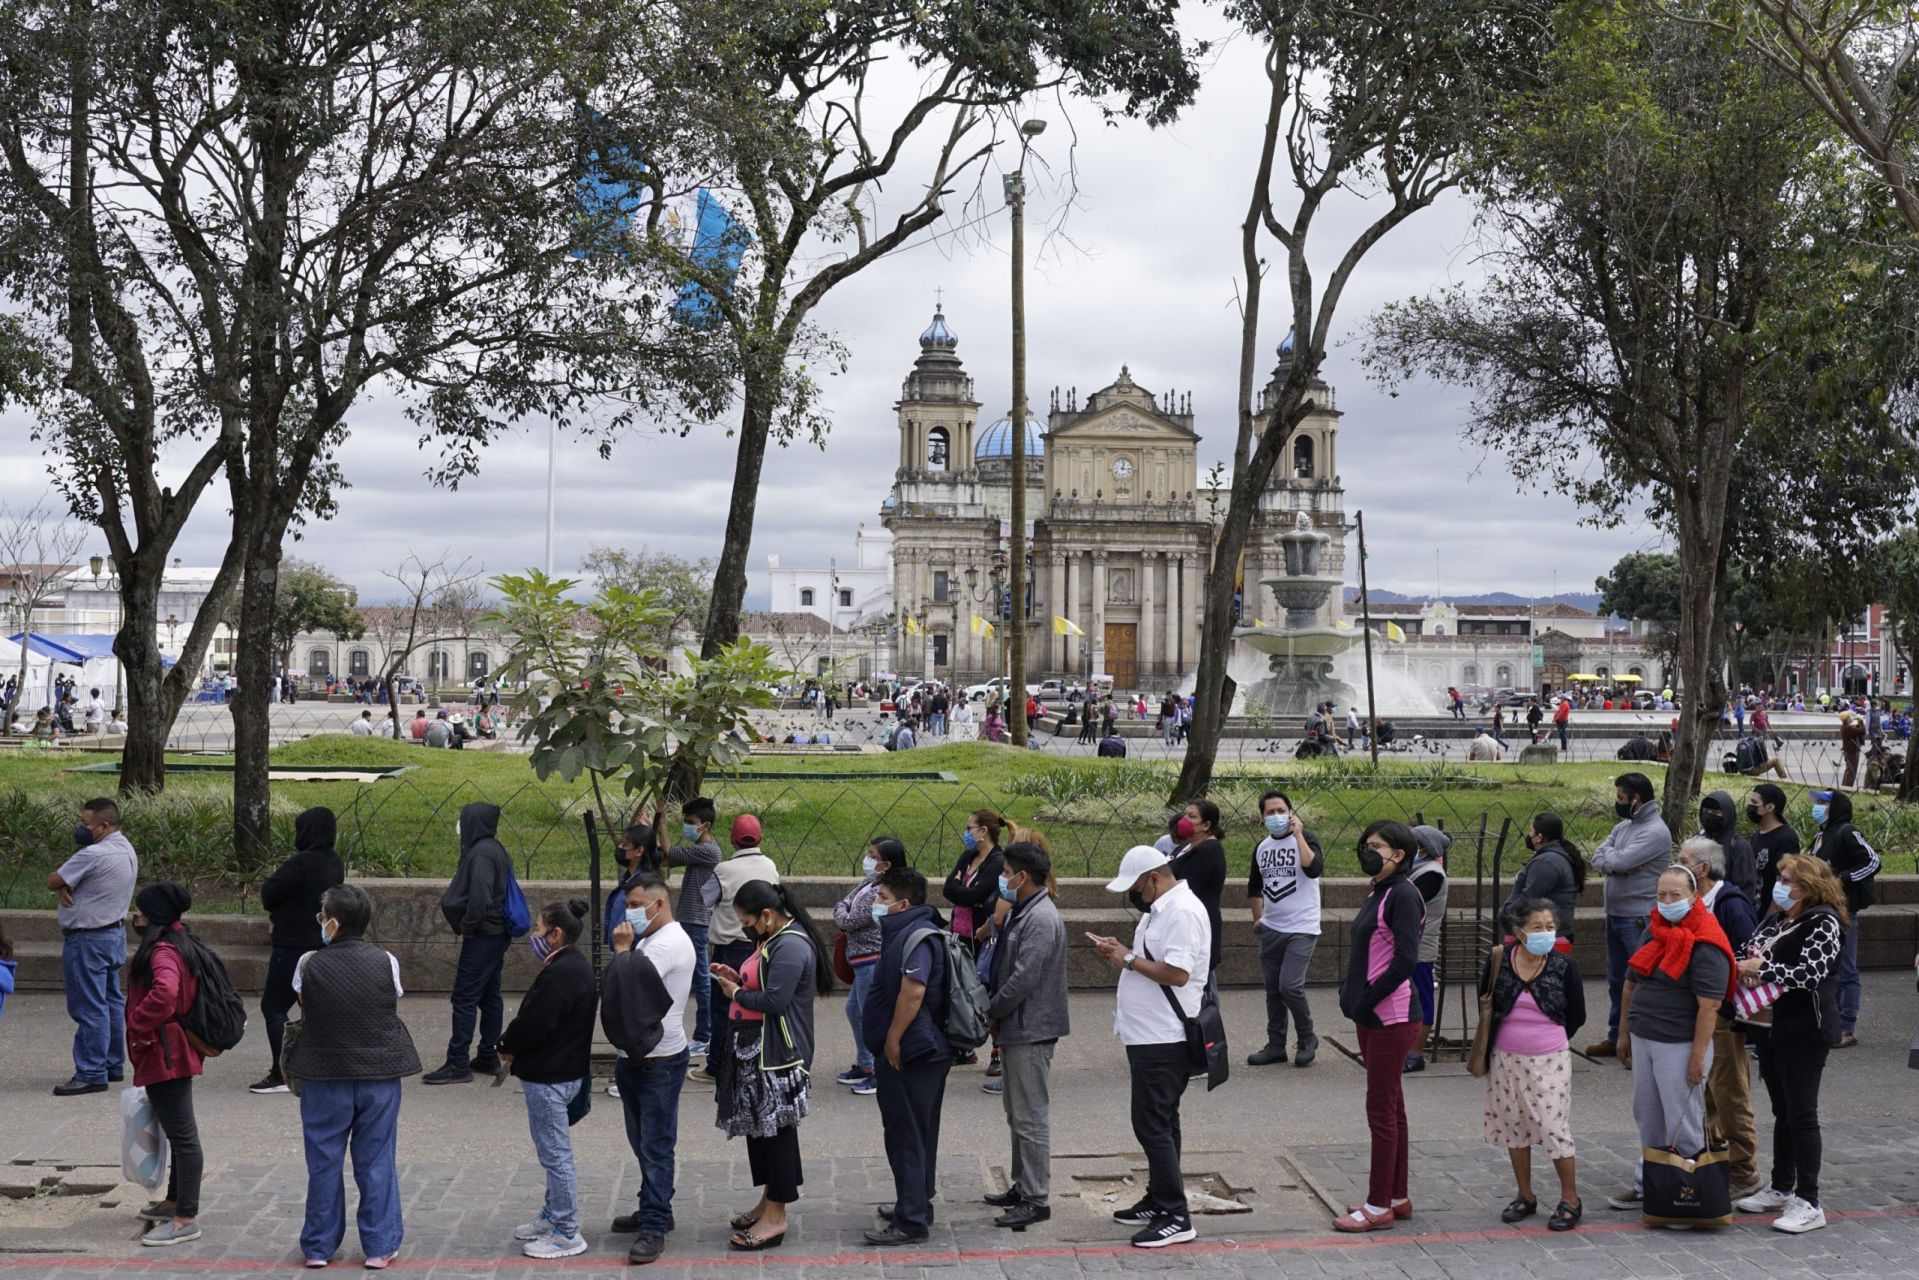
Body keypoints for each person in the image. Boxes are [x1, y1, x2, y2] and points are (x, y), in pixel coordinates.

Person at [288, 884, 418, 1270]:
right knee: (376, 1159)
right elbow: (390, 999)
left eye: (322, 916)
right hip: (379, 1073)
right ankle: (379, 1245)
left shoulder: (307, 962)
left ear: (333, 923)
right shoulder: (386, 960)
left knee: (323, 1162)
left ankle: (318, 1247)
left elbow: (304, 1002)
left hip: (323, 1072)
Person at [1090, 845, 1209, 1248]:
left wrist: (1126, 959)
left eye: (1137, 887)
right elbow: (1152, 961)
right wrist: (1123, 953)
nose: (1135, 895)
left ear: (1154, 879)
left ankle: (1176, 1214)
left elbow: (1177, 973)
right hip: (1148, 1034)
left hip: (1165, 1037)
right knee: (1161, 1121)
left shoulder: (1181, 912)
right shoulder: (1161, 910)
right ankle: (1160, 1198)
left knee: (1152, 1124)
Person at [711, 880, 833, 1252]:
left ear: (766, 915)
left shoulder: (791, 944)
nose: (744, 927)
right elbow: (762, 984)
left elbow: (775, 1000)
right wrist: (737, 979)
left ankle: (776, 1217)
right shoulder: (771, 939)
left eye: (746, 920)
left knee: (776, 1134)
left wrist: (735, 993)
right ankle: (768, 1201)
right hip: (758, 1053)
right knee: (762, 1133)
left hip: (777, 1056)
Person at [1605, 865, 1734, 1215]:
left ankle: (1687, 1192)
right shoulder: (1655, 928)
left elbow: (1709, 1006)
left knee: (1682, 1119)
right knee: (1648, 1114)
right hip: (1645, 1036)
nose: (1666, 901)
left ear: (1693, 897)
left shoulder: (1706, 942)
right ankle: (1651, 1183)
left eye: (1674, 895)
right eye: (1661, 894)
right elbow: (1631, 982)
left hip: (1678, 1043)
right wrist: (1623, 1033)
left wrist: (1697, 1057)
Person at [1734, 854, 1847, 1234]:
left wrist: (1762, 969)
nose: (1779, 885)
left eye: (1787, 880)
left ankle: (1810, 1200)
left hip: (1805, 1030)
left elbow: (1811, 972)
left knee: (1802, 1114)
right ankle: (1781, 1186)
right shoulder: (1778, 918)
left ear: (1810, 886)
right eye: (1779, 877)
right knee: (1782, 1110)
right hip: (1770, 1027)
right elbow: (1748, 950)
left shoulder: (1825, 921)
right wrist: (1742, 966)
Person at [1333, 821, 1425, 1232]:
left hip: (1390, 1014)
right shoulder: (1381, 889)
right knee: (1393, 1106)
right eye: (1365, 843)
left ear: (1399, 854)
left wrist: (1366, 998)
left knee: (1381, 1111)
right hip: (1371, 1012)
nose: (1367, 850)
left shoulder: (1403, 894)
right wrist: (1350, 993)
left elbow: (1405, 960)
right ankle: (1396, 1195)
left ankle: (1376, 1205)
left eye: (1377, 845)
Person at [603, 873, 694, 1264]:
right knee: (643, 1144)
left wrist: (622, 951)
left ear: (660, 904)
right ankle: (655, 1206)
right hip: (635, 1059)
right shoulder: (651, 940)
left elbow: (629, 989)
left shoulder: (668, 943)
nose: (630, 913)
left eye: (638, 905)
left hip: (659, 1061)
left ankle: (654, 1226)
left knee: (656, 1146)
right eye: (629, 905)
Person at [499, 900, 598, 1260]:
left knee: (556, 1156)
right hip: (558, 1071)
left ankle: (567, 1231)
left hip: (551, 1076)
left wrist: (506, 1045)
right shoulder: (569, 966)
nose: (534, 936)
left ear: (556, 934)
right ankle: (552, 1214)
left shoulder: (564, 973)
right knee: (551, 1152)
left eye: (539, 930)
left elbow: (534, 1023)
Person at [1480, 898, 1586, 1232]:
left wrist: (1546, 1039)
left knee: (1554, 1127)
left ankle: (1571, 1198)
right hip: (1505, 1059)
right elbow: (1486, 1000)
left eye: (1550, 927)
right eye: (1537, 927)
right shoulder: (1500, 960)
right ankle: (1525, 1195)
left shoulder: (1563, 966)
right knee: (1514, 1126)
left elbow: (1576, 1015)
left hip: (1549, 1060)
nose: (1545, 933)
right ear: (1519, 931)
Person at [862, 867, 952, 1246]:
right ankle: (915, 1202)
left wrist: (893, 1040)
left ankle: (911, 1221)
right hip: (915, 1051)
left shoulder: (916, 937)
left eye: (882, 899)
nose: (876, 905)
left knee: (906, 1135)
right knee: (917, 1132)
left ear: (903, 904)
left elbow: (912, 993)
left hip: (913, 1053)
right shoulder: (903, 932)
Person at [983, 841, 1069, 1229]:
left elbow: (1024, 978)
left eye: (1006, 873)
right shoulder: (1024, 910)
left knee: (1031, 1116)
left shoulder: (1041, 918)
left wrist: (992, 1009)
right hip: (1017, 1026)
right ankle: (1023, 1184)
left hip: (1031, 1028)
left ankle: (1036, 1198)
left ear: (1024, 877)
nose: (1002, 879)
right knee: (1016, 1112)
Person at [1673, 836, 1761, 1200]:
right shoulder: (1691, 901)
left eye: (1683, 860)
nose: (1677, 865)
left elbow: (1746, 958)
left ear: (1703, 869)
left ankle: (1743, 1169)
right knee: (1707, 1093)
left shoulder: (1730, 905)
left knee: (1728, 1092)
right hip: (1696, 1011)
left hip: (1723, 1014)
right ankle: (1717, 1158)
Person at [125, 882, 206, 1246]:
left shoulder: (162, 951)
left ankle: (186, 1217)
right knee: (177, 1131)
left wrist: (138, 1021)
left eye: (140, 910)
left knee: (184, 1137)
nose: (135, 916)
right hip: (168, 1050)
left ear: (154, 915)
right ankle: (174, 1201)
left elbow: (166, 992)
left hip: (166, 1053)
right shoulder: (177, 940)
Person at [253, 806, 346, 1094]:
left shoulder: (300, 862)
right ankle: (323, 1064)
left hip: (292, 944)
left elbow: (269, 895)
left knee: (274, 1006)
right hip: (322, 944)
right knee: (314, 1007)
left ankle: (281, 1071)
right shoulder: (334, 862)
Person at [49, 797, 138, 1094]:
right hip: (113, 934)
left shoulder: (93, 854)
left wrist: (62, 883)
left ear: (104, 825)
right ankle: (112, 1064)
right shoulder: (125, 848)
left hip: (87, 939)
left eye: (86, 823)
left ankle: (90, 1072)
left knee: (89, 1006)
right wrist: (68, 885)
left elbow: (53, 880)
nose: (80, 828)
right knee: (111, 1001)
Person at [425, 803, 513, 1084]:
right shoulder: (494, 848)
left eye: (463, 819)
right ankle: (488, 1054)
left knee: (464, 997)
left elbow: (479, 897)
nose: (460, 826)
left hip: (484, 934)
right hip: (496, 933)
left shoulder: (481, 853)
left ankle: (458, 1062)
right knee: (489, 996)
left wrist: (467, 927)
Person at [1584, 773, 1670, 1058]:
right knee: (1617, 979)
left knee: (1639, 980)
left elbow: (1619, 860)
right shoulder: (1624, 826)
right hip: (1616, 913)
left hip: (1638, 918)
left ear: (1636, 799)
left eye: (1621, 798)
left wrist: (1616, 862)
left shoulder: (1655, 831)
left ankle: (1639, 1040)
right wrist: (1616, 865)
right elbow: (1600, 857)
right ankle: (1616, 1035)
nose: (1617, 802)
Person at [1246, 790, 1323, 1068]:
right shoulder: (1262, 847)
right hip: (1271, 927)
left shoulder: (1307, 839)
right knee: (1273, 991)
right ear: (1262, 817)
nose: (1276, 816)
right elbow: (1254, 886)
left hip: (1302, 927)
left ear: (1291, 812)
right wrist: (1258, 917)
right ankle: (1276, 1045)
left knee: (1290, 986)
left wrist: (1299, 835)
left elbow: (1313, 869)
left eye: (1281, 810)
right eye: (1270, 812)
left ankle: (1307, 1038)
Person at [1808, 789, 1878, 1049]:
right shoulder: (1820, 836)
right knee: (1829, 968)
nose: (1817, 806)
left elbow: (1873, 861)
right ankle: (1830, 1022)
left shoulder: (1847, 832)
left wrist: (1843, 879)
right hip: (1823, 911)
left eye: (1823, 803)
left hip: (1844, 910)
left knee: (1846, 968)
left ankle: (1846, 1027)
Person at [832, 837, 901, 1096]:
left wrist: (843, 912)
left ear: (887, 863)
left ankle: (877, 1070)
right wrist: (843, 910)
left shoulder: (883, 891)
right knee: (855, 1012)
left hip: (871, 960)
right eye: (868, 852)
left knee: (870, 1017)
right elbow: (842, 905)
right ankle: (865, 1064)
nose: (868, 859)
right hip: (859, 960)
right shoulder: (869, 883)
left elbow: (849, 919)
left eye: (873, 855)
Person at [656, 798, 723, 1059]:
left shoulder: (708, 851)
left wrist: (660, 821)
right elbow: (666, 860)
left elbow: (670, 854)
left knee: (702, 980)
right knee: (696, 977)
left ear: (705, 825)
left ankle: (704, 1036)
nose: (686, 826)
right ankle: (702, 1034)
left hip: (697, 921)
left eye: (691, 823)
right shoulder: (700, 849)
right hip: (690, 919)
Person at [942, 810, 1004, 1065]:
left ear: (983, 831)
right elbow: (949, 889)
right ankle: (964, 1046)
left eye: (970, 828)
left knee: (985, 994)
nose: (966, 833)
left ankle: (997, 1053)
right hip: (959, 934)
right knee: (958, 992)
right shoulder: (969, 856)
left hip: (982, 938)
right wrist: (965, 892)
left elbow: (976, 895)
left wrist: (964, 891)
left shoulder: (998, 860)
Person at [1403, 825, 1451, 1073]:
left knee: (1421, 998)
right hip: (1408, 946)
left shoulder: (1431, 873)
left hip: (1421, 948)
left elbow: (1407, 904)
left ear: (1423, 847)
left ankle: (1415, 1053)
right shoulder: (1415, 869)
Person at [1503, 813, 1585, 939]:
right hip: (1546, 935)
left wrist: (1505, 914)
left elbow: (1529, 899)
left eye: (1531, 831)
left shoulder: (1546, 863)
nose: (1529, 835)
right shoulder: (1553, 858)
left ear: (1539, 837)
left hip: (1544, 938)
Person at [1173, 799, 1227, 992]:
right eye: (1185, 813)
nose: (1184, 820)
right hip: (1182, 925)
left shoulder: (1208, 851)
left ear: (1206, 825)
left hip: (1198, 927)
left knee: (1201, 991)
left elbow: (1186, 888)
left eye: (1192, 816)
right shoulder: (1187, 846)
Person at [1696, 791, 1756, 900]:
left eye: (1715, 812)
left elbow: (1746, 888)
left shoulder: (1739, 846)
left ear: (1727, 814)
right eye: (1705, 811)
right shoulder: (1697, 839)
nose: (1709, 815)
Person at [1746, 784, 1798, 903]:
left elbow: (1786, 882)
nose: (1750, 805)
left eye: (1754, 802)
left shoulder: (1786, 839)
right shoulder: (1757, 835)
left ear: (1769, 807)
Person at [1839, 708, 1864, 788]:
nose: (1851, 718)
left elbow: (1856, 730)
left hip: (1848, 750)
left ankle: (1844, 786)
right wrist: (1861, 721)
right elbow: (1862, 731)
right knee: (1852, 771)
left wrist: (1858, 724)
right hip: (1852, 751)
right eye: (1850, 717)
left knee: (1848, 770)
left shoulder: (1844, 727)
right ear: (1847, 719)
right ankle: (1848, 788)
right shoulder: (1848, 728)